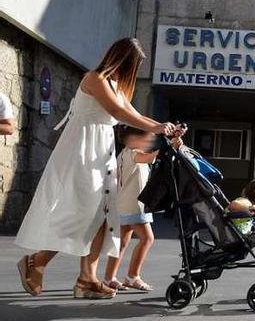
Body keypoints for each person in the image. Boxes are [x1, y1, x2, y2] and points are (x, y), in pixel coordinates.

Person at [15, 38, 178, 300]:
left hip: (100, 152)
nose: (133, 72)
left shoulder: (115, 86)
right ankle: (36, 262)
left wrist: (164, 126)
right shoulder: (95, 78)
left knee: (102, 214)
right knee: (82, 213)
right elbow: (117, 112)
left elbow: (133, 113)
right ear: (123, 61)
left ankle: (86, 279)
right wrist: (156, 128)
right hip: (81, 150)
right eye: (133, 65)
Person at [102, 125, 179, 292]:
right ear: (133, 139)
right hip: (134, 206)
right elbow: (152, 157)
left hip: (124, 204)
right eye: (147, 139)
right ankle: (132, 276)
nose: (150, 142)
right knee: (147, 239)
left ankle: (109, 278)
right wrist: (171, 146)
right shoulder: (132, 153)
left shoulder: (124, 154)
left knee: (121, 243)